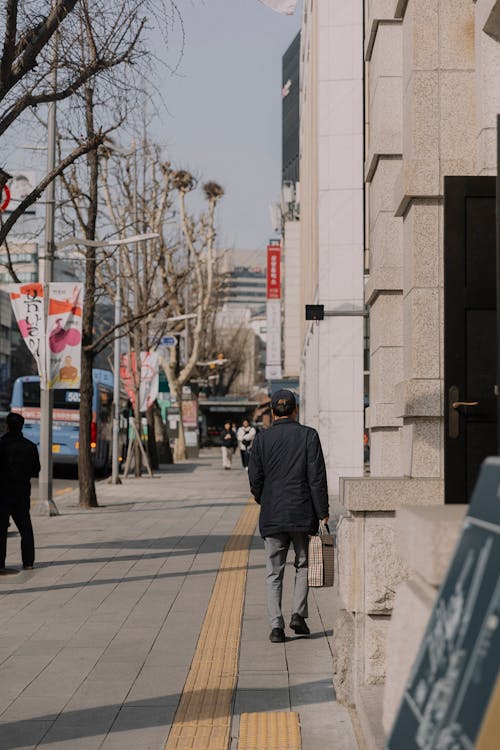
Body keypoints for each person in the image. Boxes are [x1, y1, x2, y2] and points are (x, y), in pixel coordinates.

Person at [248, 389, 329, 643]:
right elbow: (316, 478)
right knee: (303, 564)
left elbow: (255, 478)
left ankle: (276, 626)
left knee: (274, 571)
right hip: (303, 511)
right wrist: (323, 511)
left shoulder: (262, 439)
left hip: (273, 513)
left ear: (272, 412)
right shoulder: (308, 436)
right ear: (295, 410)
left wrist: (264, 497)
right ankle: (298, 615)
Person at [0, 412, 40, 574]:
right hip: (22, 492)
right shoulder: (30, 446)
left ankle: (0, 563)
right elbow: (36, 469)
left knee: (1, 530)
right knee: (25, 528)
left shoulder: (1, 444)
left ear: (7, 426)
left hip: (2, 493)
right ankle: (28, 562)